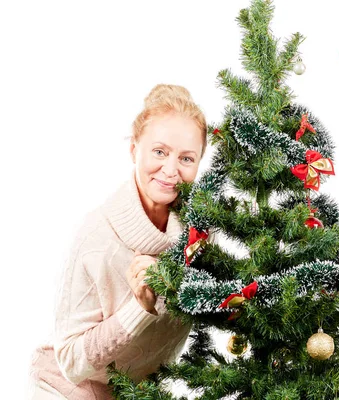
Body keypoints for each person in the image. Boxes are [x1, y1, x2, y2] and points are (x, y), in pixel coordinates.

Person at [29, 84, 208, 399]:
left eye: (186, 158)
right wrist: (140, 307)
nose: (171, 170)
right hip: (72, 386)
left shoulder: (200, 233)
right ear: (134, 149)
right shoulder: (97, 239)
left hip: (138, 389)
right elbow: (70, 361)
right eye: (159, 152)